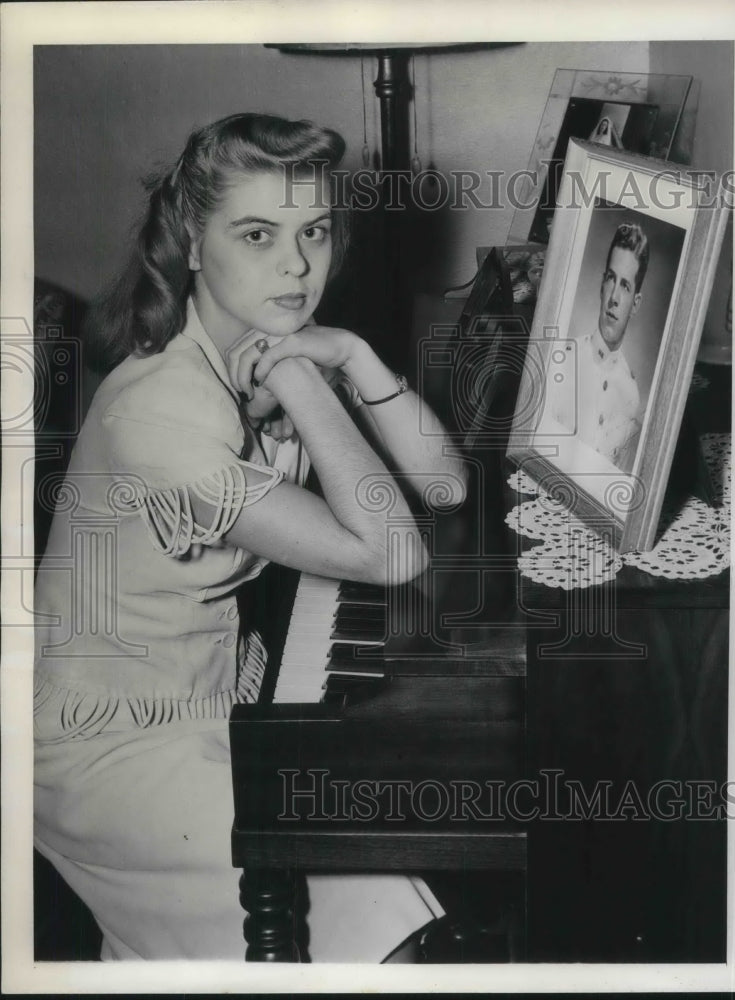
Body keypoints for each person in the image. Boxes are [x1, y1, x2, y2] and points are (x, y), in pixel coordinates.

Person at [33, 112, 468, 962]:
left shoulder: (249, 347)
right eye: (259, 234)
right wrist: (307, 376)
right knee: (380, 918)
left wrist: (352, 353)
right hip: (100, 745)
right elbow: (395, 553)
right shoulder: (159, 411)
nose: (299, 265)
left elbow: (446, 486)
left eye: (314, 232)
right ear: (194, 242)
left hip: (210, 698)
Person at [544, 221, 649, 472]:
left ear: (635, 303)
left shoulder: (631, 395)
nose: (614, 298)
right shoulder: (563, 360)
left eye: (625, 286)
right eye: (611, 279)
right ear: (602, 284)